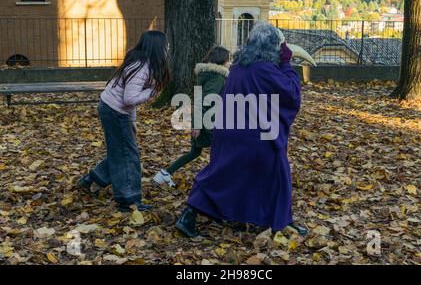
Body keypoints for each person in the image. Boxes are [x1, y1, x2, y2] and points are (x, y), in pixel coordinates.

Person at [175, 22, 308, 237]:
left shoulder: (238, 68)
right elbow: (292, 94)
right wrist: (286, 64)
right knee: (277, 175)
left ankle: (191, 214)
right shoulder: (266, 70)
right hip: (256, 135)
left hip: (230, 129)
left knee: (223, 173)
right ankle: (281, 223)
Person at [77, 30, 171, 212]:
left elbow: (128, 100)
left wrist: (132, 120)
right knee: (128, 155)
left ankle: (90, 180)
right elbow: (130, 98)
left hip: (113, 109)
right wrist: (151, 93)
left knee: (120, 151)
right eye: (165, 45)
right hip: (114, 111)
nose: (167, 49)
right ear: (156, 48)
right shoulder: (142, 68)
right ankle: (129, 200)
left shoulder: (141, 63)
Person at [153, 46, 231, 187]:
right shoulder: (218, 78)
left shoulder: (206, 74)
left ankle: (165, 173)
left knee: (195, 152)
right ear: (222, 60)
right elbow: (206, 101)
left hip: (201, 119)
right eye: (227, 60)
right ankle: (214, 181)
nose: (229, 63)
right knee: (223, 150)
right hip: (209, 121)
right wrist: (197, 125)